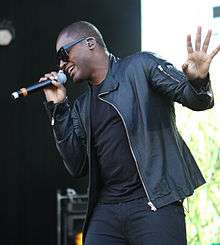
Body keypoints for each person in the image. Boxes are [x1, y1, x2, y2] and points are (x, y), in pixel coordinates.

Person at [41, 21, 220, 245]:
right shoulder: (82, 106)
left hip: (153, 203)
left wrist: (198, 81)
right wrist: (59, 109)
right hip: (107, 210)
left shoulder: (141, 67)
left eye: (64, 53)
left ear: (90, 43)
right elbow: (76, 166)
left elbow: (197, 100)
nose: (61, 63)